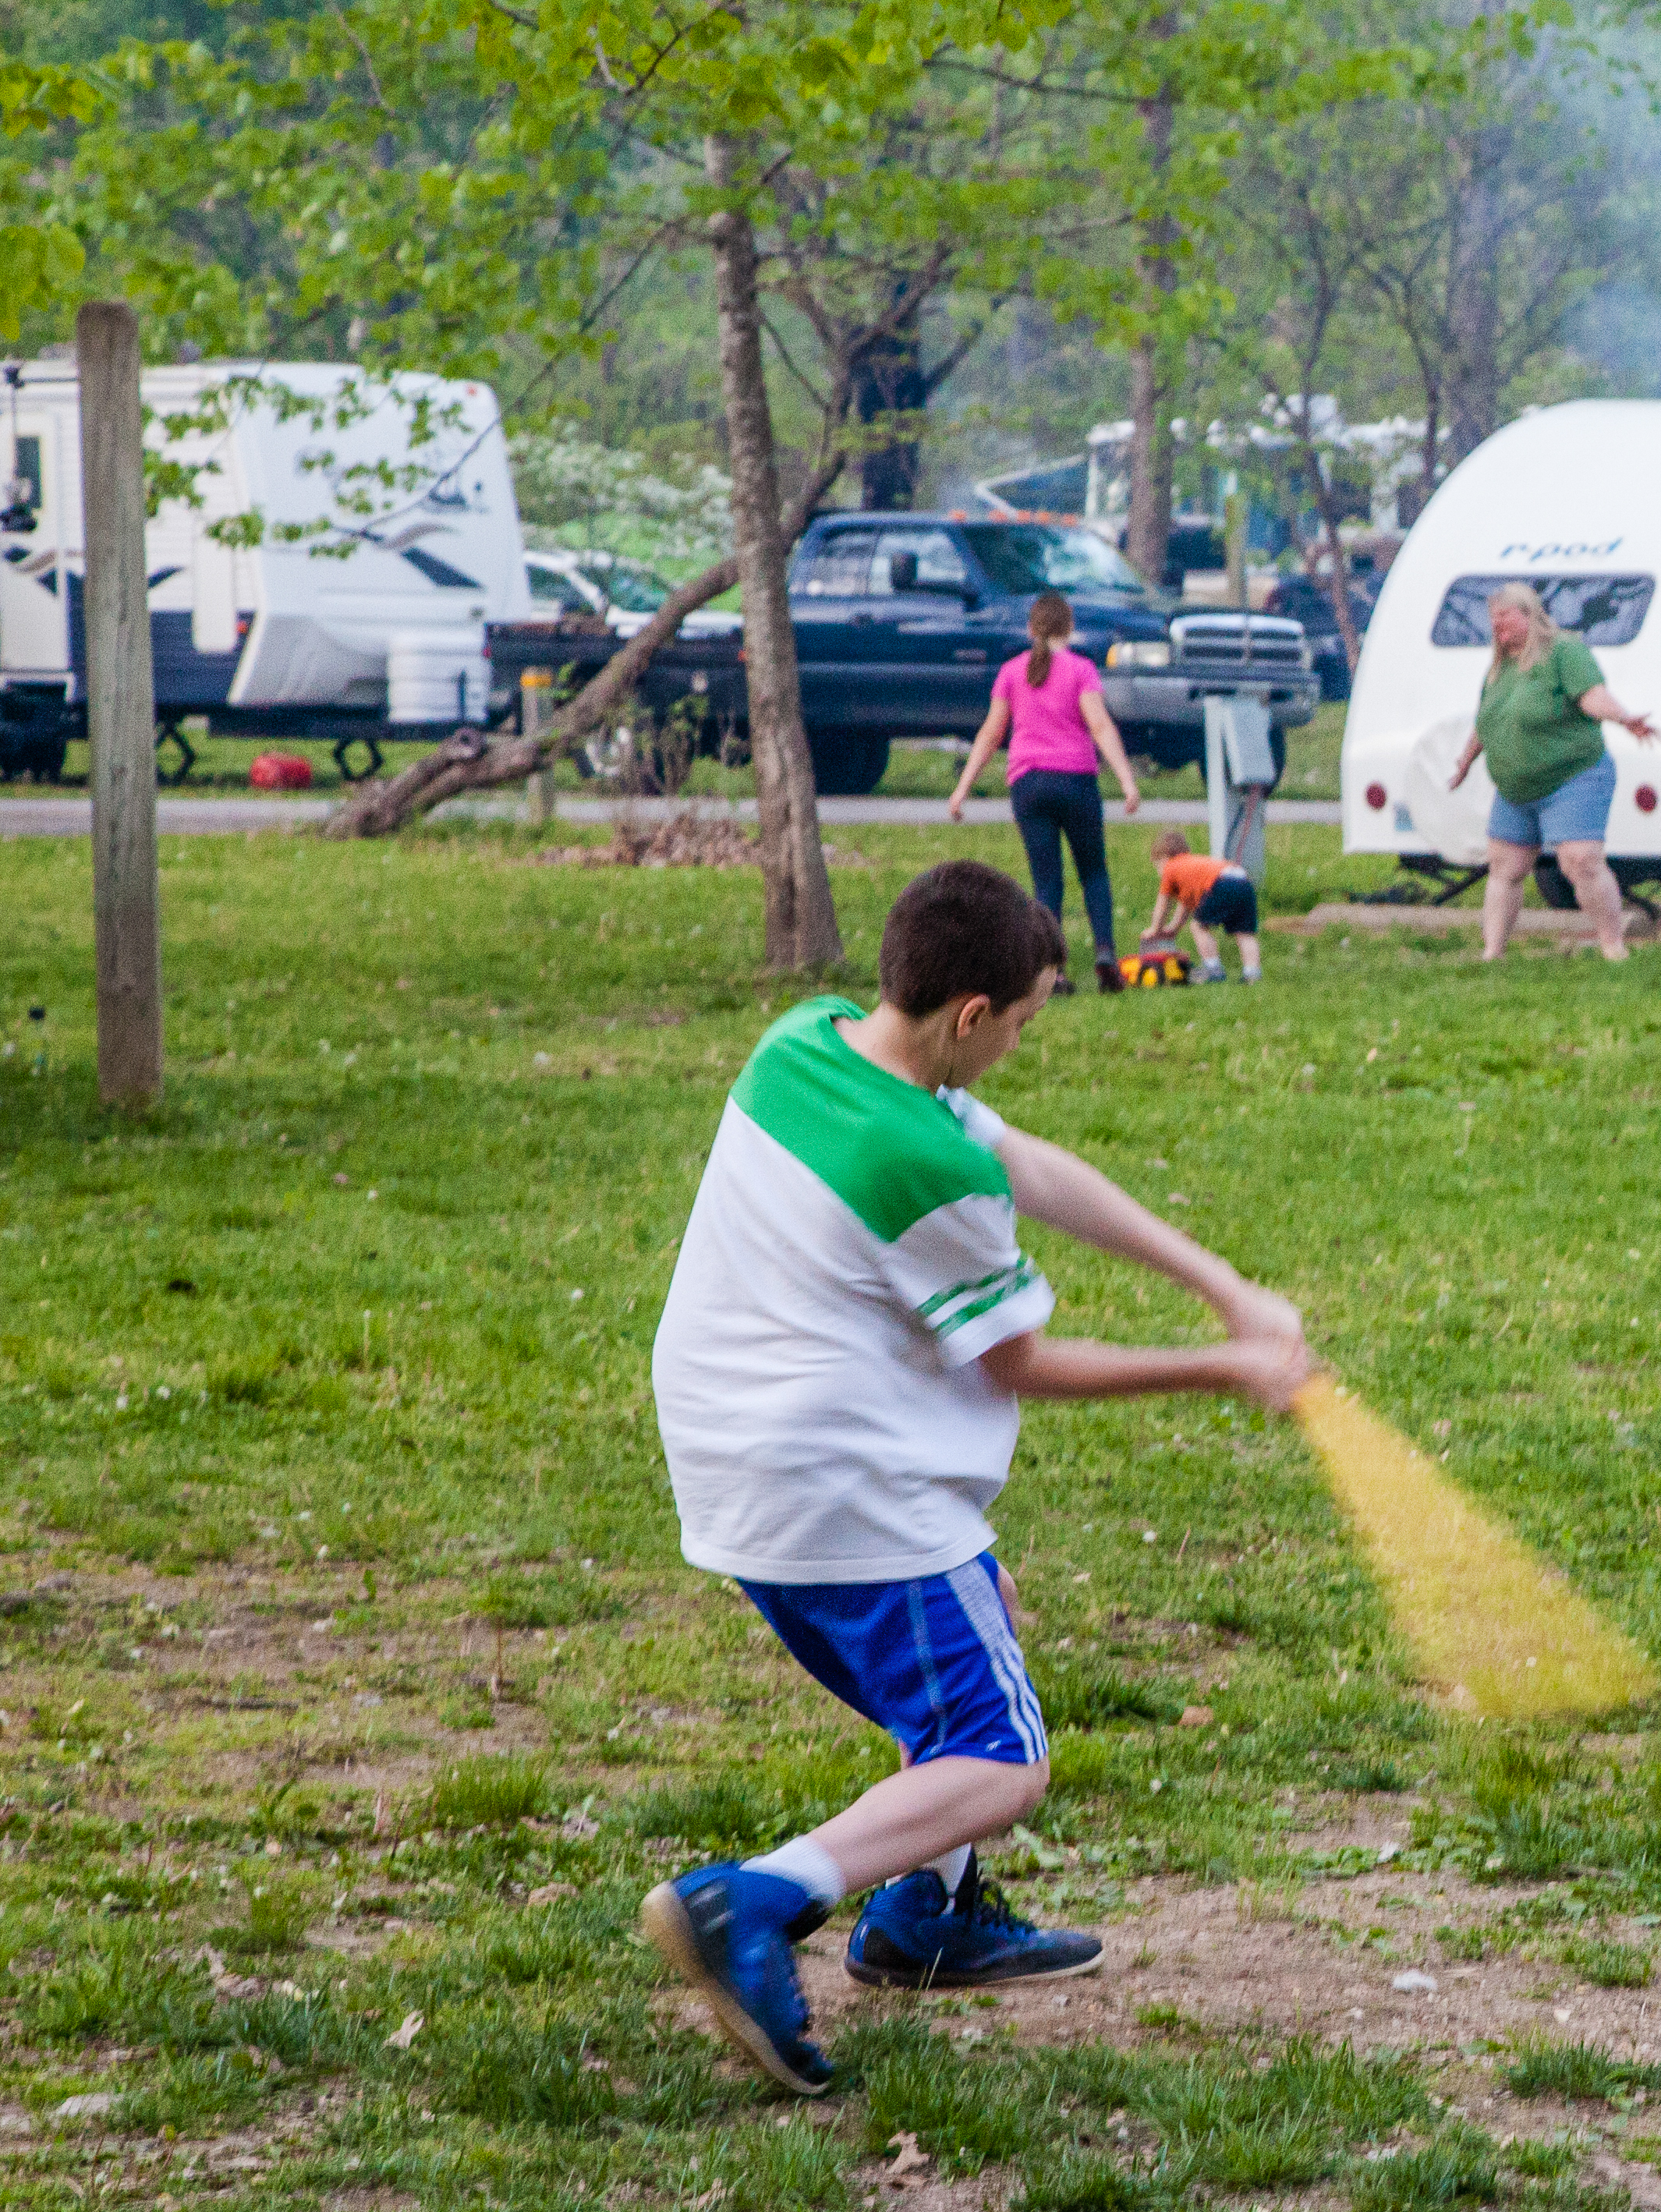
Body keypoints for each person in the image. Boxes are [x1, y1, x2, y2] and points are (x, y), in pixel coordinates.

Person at [639, 859, 1310, 2095]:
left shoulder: (810, 1043)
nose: (1019, 1044)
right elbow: (1019, 1360)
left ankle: (920, 1920)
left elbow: (1026, 1163)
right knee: (1000, 1759)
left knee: (983, 1620)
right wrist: (1224, 1367)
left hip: (739, 1450)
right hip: (835, 1481)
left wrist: (1221, 1281)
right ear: (969, 1016)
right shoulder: (916, 1164)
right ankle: (753, 1901)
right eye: (1023, 1022)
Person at [1447, 581, 1661, 962]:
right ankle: (1493, 953)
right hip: (1516, 789)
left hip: (1572, 776)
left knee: (1580, 860)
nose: (1497, 628)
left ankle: (1614, 947)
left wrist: (1624, 718)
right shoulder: (1499, 668)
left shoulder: (1564, 651)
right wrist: (1465, 763)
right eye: (1493, 621)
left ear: (1529, 614)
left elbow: (1591, 696)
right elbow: (1487, 721)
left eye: (1504, 619)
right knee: (1505, 865)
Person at [949, 591, 1142, 996]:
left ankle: (1051, 972)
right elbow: (1101, 726)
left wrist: (962, 788)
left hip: (1029, 785)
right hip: (1076, 781)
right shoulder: (1082, 670)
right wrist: (1126, 780)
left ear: (1030, 629)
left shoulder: (1011, 672)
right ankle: (1105, 952)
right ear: (1069, 628)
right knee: (1093, 871)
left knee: (1047, 881)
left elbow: (991, 734)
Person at [1142, 829, 1261, 984]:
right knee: (1244, 933)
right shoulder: (1191, 866)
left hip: (1220, 883)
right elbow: (1185, 906)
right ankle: (1252, 973)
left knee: (1198, 926)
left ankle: (1213, 969)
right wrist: (1173, 929)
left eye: (1157, 866)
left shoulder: (1171, 868)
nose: (1159, 871)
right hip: (1242, 879)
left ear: (1163, 858)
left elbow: (1163, 905)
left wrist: (1155, 929)